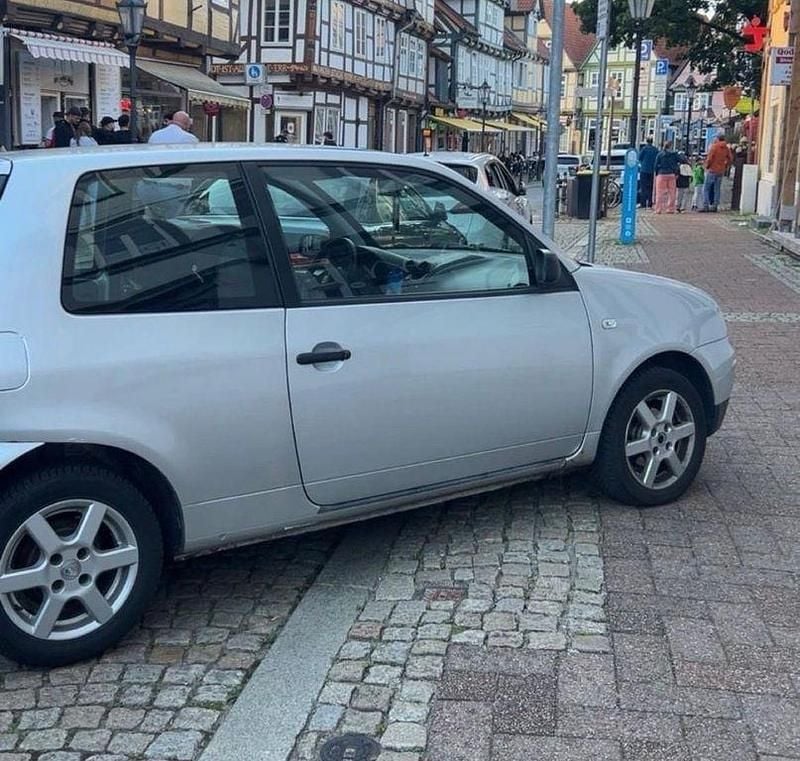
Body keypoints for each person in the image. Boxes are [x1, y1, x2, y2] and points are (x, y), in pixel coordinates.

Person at [702, 134, 732, 212]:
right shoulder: (726, 148)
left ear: (718, 139)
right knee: (717, 189)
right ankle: (715, 206)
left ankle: (706, 205)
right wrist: (725, 165)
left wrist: (707, 166)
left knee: (706, 188)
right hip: (720, 171)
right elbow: (730, 158)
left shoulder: (714, 147)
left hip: (712, 170)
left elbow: (710, 158)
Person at [653, 140, 679, 214]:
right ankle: (670, 209)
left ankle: (658, 209)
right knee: (672, 192)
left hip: (661, 174)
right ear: (671, 146)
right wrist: (676, 172)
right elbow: (679, 161)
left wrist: (657, 173)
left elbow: (655, 165)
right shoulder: (674, 155)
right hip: (671, 174)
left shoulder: (660, 154)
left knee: (659, 192)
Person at [638, 137, 658, 208]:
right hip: (652, 170)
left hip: (644, 170)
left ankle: (643, 203)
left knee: (643, 187)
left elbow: (639, 158)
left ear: (647, 141)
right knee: (651, 187)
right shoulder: (655, 150)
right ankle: (650, 203)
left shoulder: (644, 149)